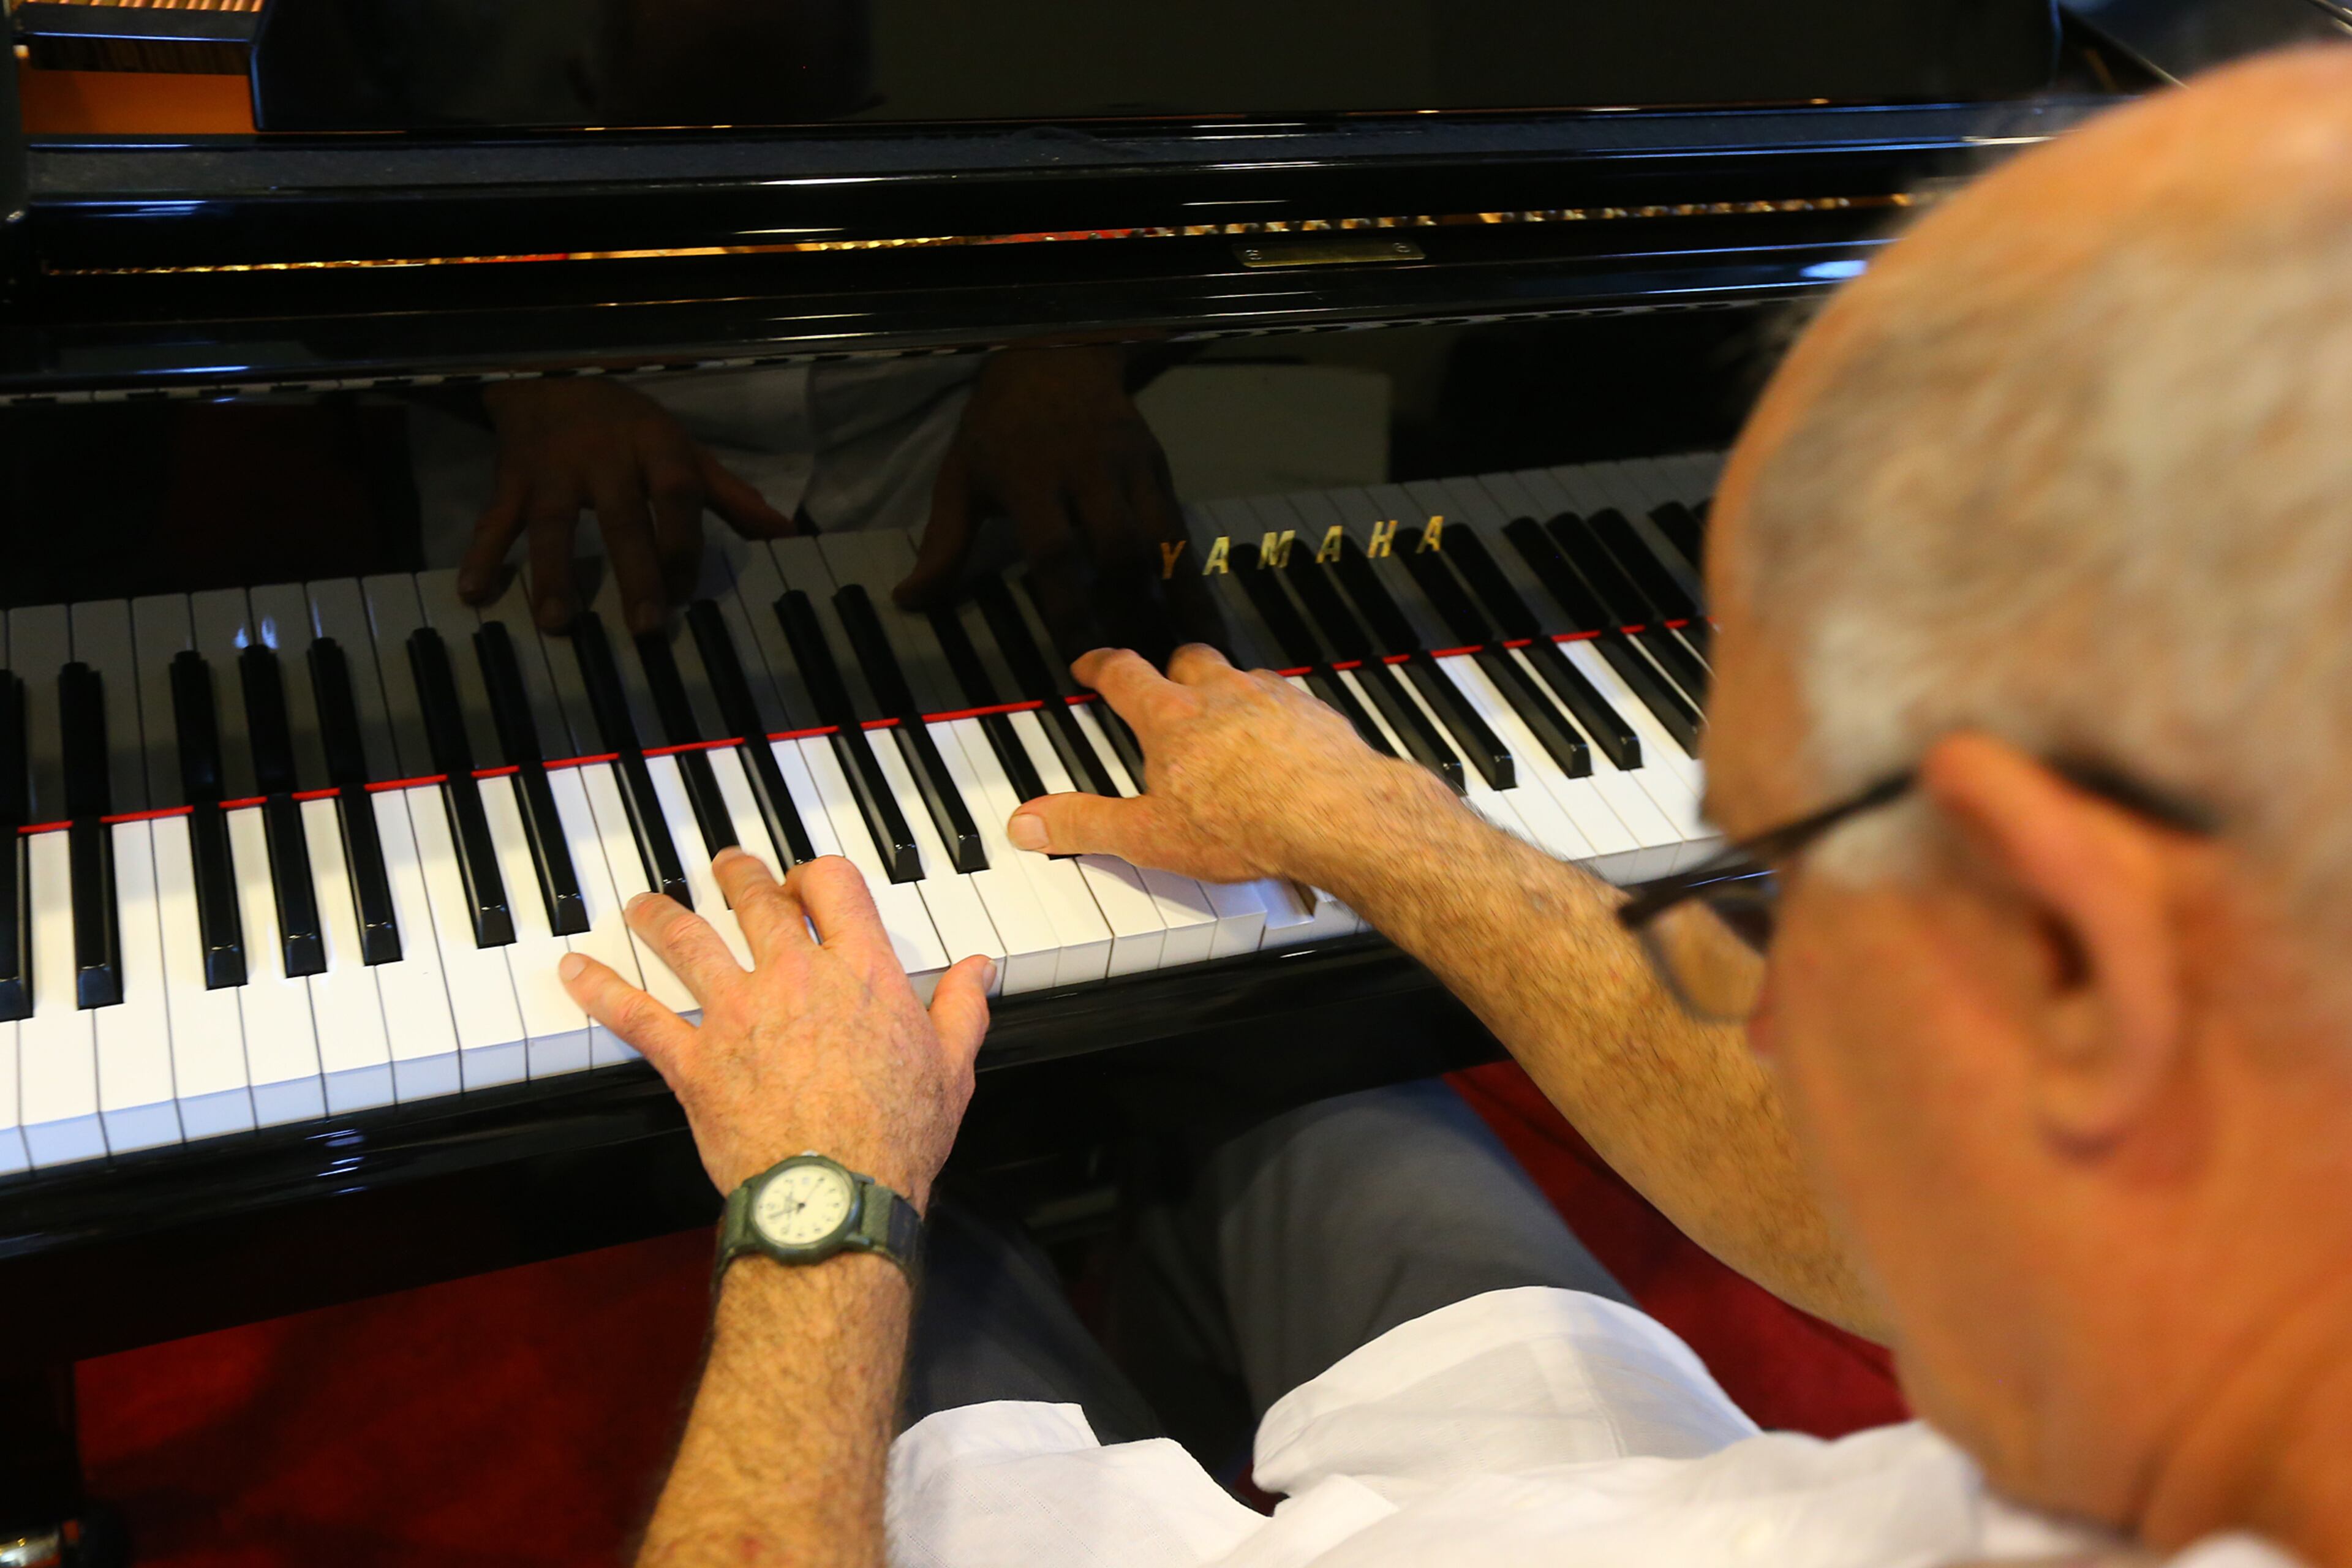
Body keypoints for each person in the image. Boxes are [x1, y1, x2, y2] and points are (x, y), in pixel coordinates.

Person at [553, 46, 2352, 1568]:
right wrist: (1370, 826)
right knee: (1302, 1061)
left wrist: (827, 1187)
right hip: (1631, 1505)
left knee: (930, 1225)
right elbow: (1887, 1208)